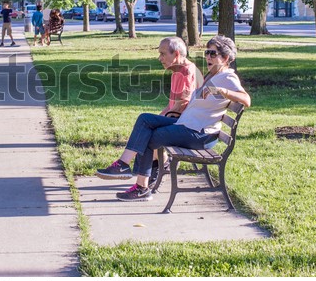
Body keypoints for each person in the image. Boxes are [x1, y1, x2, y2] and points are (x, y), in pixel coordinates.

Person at [98, 35, 251, 202]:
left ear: (225, 58)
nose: (208, 56)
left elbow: (246, 100)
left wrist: (225, 92)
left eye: (213, 54)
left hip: (199, 134)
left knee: (149, 136)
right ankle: (123, 165)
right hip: (188, 125)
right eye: (207, 52)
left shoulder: (227, 77)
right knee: (144, 119)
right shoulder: (212, 76)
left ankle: (141, 187)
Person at [96, 36, 203, 185]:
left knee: (146, 126)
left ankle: (136, 167)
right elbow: (172, 105)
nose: (160, 58)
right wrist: (159, 117)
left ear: (176, 54)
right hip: (180, 119)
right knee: (146, 125)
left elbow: (180, 107)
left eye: (163, 54)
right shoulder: (178, 70)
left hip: (186, 124)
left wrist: (158, 121)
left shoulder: (186, 72)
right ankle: (154, 167)